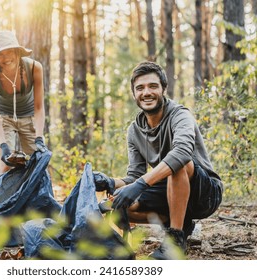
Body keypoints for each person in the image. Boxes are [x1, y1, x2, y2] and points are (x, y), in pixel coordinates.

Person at [93, 61, 223, 260]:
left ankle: (175, 240)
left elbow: (182, 153)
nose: (147, 92)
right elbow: (135, 176)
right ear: (134, 94)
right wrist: (110, 182)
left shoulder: (180, 115)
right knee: (119, 209)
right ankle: (181, 222)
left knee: (177, 163)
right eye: (140, 88)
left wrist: (140, 184)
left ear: (163, 89)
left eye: (153, 86)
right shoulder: (134, 130)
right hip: (169, 191)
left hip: (205, 194)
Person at [0, 31, 47, 174]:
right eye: (0, 54)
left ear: (17, 52)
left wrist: (39, 137)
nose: (6, 58)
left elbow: (38, 107)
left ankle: (40, 196)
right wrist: (3, 146)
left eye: (9, 51)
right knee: (7, 162)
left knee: (38, 162)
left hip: (30, 116)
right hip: (5, 119)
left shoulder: (34, 68)